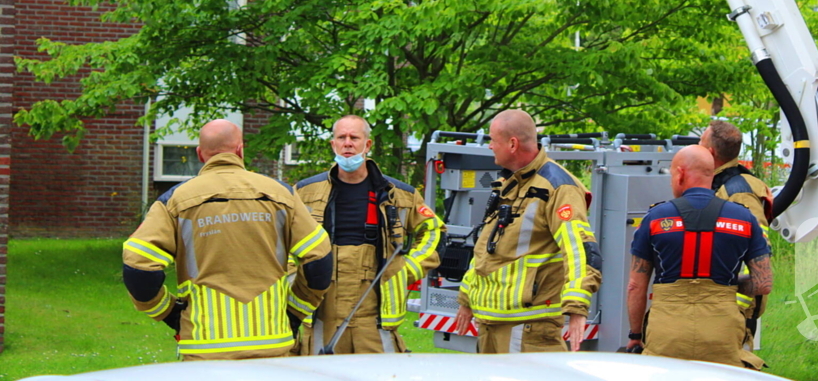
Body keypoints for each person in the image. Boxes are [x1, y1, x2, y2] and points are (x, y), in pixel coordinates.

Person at [122, 119, 332, 360]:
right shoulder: (281, 194)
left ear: (200, 154)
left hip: (204, 348)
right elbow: (319, 261)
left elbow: (138, 268)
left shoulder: (175, 200)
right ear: (240, 150)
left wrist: (169, 314)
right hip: (272, 345)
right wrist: (295, 312)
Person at [292, 114, 445, 354]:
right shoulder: (304, 192)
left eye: (354, 137)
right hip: (322, 310)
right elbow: (284, 240)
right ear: (333, 144)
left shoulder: (399, 194)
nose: (347, 143)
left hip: (375, 315)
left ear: (368, 144)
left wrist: (408, 269)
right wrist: (296, 275)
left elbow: (434, 232)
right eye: (341, 137)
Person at [454, 109, 602, 353]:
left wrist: (576, 308)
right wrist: (466, 299)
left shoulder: (558, 187)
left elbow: (579, 249)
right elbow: (487, 251)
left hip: (528, 326)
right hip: (492, 323)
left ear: (512, 144)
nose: (490, 146)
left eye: (493, 140)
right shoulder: (510, 184)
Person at [626, 145, 772, 367]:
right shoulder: (744, 218)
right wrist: (726, 287)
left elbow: (635, 287)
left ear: (681, 173)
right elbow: (763, 284)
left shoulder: (655, 219)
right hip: (721, 332)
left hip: (667, 333)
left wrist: (635, 336)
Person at [701, 119, 773, 366]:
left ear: (711, 152)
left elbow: (755, 252)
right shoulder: (721, 183)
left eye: (700, 142)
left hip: (732, 309)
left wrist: (735, 309)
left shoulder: (739, 191)